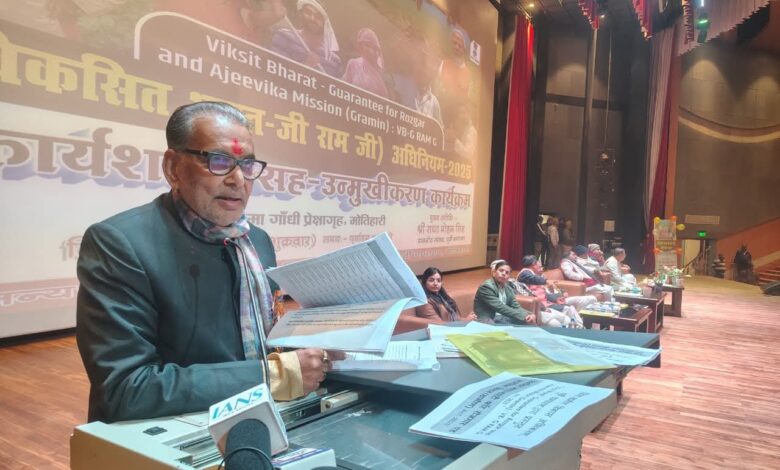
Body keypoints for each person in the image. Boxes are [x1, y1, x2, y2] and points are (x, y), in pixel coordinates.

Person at [76, 101, 333, 423]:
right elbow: (127, 389)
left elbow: (260, 349)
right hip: (176, 431)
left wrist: (317, 346)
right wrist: (274, 376)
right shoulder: (120, 243)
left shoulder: (256, 242)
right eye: (219, 161)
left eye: (247, 165)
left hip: (259, 418)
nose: (237, 179)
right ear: (173, 168)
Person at [271, 0, 341, 76]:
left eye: (318, 16)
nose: (312, 18)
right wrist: (306, 65)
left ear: (327, 22)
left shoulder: (334, 60)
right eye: (308, 12)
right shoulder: (284, 36)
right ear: (300, 14)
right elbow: (273, 72)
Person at [517, 255, 597, 311]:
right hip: (546, 304)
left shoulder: (540, 276)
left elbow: (548, 292)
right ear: (534, 265)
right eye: (539, 265)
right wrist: (546, 282)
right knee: (570, 310)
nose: (541, 268)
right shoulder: (526, 273)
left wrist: (560, 295)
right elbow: (534, 282)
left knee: (591, 299)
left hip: (555, 300)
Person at [474, 260, 536, 325]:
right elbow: (501, 307)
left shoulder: (508, 289)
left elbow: (516, 306)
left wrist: (529, 314)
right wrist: (524, 316)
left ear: (509, 277)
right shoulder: (486, 287)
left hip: (502, 317)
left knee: (529, 322)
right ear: (494, 273)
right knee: (496, 328)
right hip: (488, 318)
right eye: (501, 271)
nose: (504, 274)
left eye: (507, 272)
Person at [341, 27, 390, 98]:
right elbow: (342, 87)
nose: (366, 49)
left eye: (370, 46)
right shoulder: (353, 63)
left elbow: (383, 99)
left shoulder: (380, 77)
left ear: (377, 51)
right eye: (364, 45)